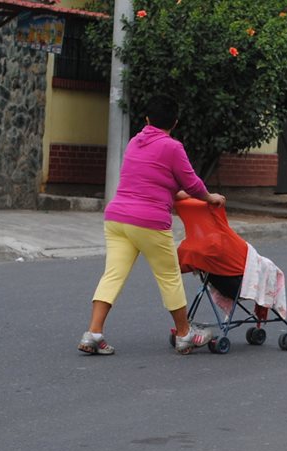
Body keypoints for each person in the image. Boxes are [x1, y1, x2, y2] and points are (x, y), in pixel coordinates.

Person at [77, 95, 227, 356]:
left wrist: (176, 194)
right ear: (175, 122)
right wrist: (209, 197)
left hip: (117, 218)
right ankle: (184, 334)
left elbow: (151, 180)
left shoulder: (135, 142)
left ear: (147, 119)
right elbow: (191, 183)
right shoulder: (172, 147)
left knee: (113, 275)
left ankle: (93, 333)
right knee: (169, 277)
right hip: (149, 222)